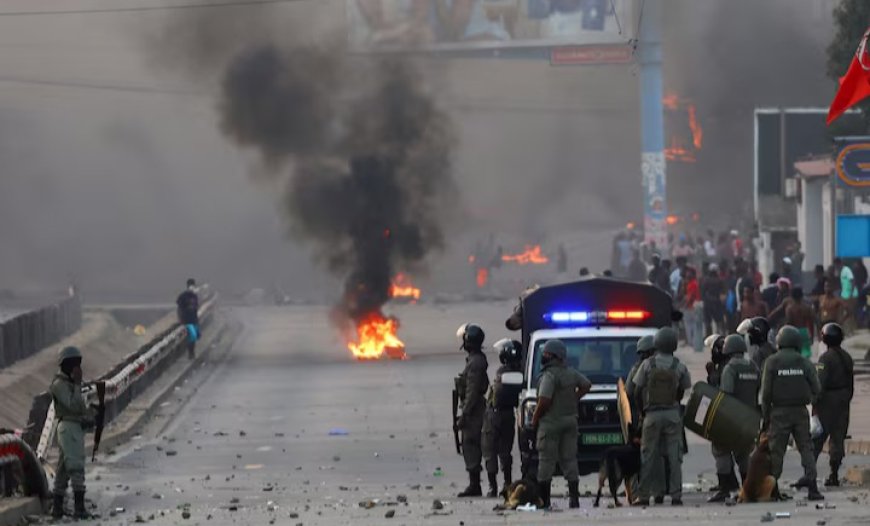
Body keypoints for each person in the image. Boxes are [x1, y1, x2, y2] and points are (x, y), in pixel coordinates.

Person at [761, 325, 823, 501]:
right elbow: (817, 388)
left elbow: (765, 394)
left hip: (779, 412)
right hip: (800, 412)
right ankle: (812, 486)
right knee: (806, 448)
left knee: (776, 451)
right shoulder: (804, 362)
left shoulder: (771, 362)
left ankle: (773, 490)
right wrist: (808, 399)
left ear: (779, 342)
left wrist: (766, 417)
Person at [631, 327, 692, 506]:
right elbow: (684, 389)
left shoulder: (648, 364)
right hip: (673, 415)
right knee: (674, 456)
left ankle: (643, 495)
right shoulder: (679, 366)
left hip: (651, 415)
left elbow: (636, 390)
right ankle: (676, 495)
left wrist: (642, 411)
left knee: (648, 456)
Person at [531, 340, 592, 509]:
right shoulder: (571, 373)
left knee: (546, 461)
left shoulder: (549, 376)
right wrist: (574, 398)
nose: (543, 357)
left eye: (546, 354)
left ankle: (545, 500)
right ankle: (574, 499)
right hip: (570, 421)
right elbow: (587, 385)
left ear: (553, 356)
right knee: (570, 460)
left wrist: (535, 419)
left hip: (550, 423)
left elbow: (544, 400)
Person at [708, 335, 759, 502]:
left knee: (720, 450)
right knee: (743, 453)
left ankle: (724, 488)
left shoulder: (730, 368)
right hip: (749, 418)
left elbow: (726, 395)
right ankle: (748, 487)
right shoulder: (753, 366)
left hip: (732, 417)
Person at [50, 346, 95, 519]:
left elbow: (80, 408)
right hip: (69, 428)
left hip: (73, 427)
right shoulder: (60, 385)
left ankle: (57, 508)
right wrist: (77, 384)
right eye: (74, 365)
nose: (78, 369)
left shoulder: (68, 383)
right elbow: (72, 405)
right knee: (76, 466)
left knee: (62, 469)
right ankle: (79, 508)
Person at [811, 323, 854, 487]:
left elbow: (819, 384)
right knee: (838, 438)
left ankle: (810, 475)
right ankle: (834, 474)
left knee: (817, 439)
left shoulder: (825, 358)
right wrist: (846, 398)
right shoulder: (847, 357)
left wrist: (815, 403)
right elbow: (851, 383)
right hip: (843, 399)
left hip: (828, 400)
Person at [482, 338, 523, 497]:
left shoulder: (503, 372)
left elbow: (495, 394)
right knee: (505, 451)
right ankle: (507, 483)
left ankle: (493, 487)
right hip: (508, 415)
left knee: (489, 450)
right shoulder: (520, 371)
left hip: (495, 414)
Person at [454, 323, 489, 497]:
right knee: (471, 444)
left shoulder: (475, 362)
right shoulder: (476, 360)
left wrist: (465, 414)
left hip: (474, 410)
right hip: (474, 407)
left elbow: (472, 390)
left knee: (471, 444)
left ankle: (475, 485)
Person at [770, 287, 815, 358]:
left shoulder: (790, 309)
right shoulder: (807, 308)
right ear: (802, 296)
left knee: (794, 353)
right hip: (804, 332)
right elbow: (811, 323)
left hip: (794, 332)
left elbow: (789, 322)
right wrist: (812, 336)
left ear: (791, 296)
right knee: (805, 353)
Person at [176, 278, 200, 359]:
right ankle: (191, 353)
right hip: (187, 319)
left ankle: (191, 351)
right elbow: (179, 306)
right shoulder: (183, 296)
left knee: (196, 335)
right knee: (192, 335)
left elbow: (196, 306)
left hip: (194, 319)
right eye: (191, 285)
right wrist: (181, 317)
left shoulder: (194, 296)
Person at [682, 267, 703, 352]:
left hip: (692, 307)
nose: (687, 274)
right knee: (692, 325)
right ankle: (693, 342)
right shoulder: (690, 283)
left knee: (691, 325)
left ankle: (693, 342)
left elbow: (691, 297)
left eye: (689, 273)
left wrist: (685, 306)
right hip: (692, 307)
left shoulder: (692, 284)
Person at [702, 265, 726, 335]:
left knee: (708, 322)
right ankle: (721, 335)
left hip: (708, 303)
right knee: (719, 321)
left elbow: (703, 293)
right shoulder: (720, 280)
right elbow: (723, 292)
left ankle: (709, 336)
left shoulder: (706, 280)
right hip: (717, 303)